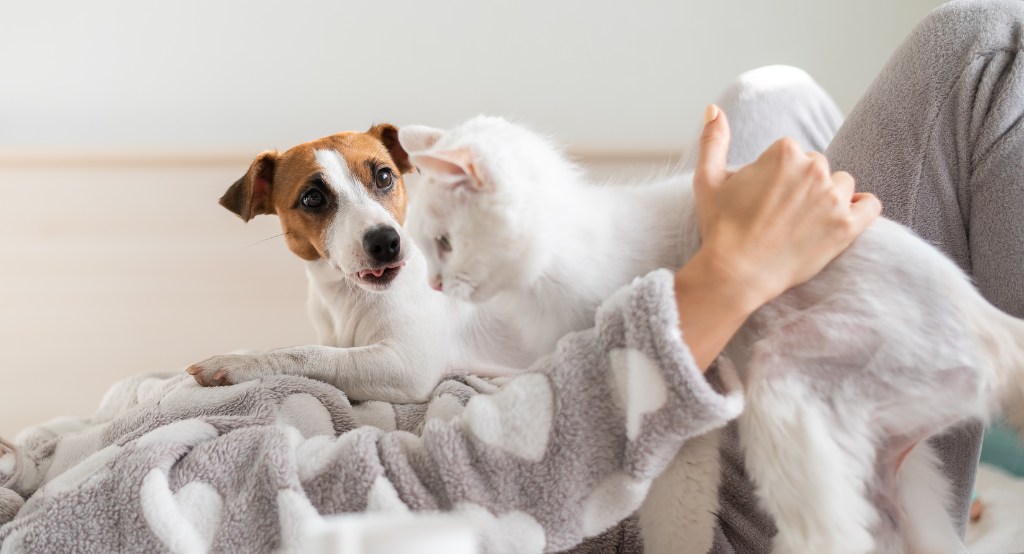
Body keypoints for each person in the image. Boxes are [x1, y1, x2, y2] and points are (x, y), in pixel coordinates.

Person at [701, 0, 1024, 551]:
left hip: (659, 383)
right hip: (702, 495)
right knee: (986, 50)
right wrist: (727, 274)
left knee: (770, 98)